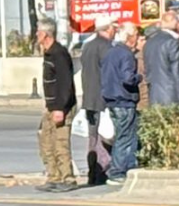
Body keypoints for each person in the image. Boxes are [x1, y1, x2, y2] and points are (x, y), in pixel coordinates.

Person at [36, 18, 77, 192]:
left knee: (60, 143)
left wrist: (60, 108)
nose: (36, 35)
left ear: (45, 34)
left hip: (61, 107)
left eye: (38, 32)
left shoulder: (59, 53)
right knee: (46, 141)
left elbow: (65, 83)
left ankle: (67, 178)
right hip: (51, 107)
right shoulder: (48, 53)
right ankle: (53, 176)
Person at [101, 23, 142, 185]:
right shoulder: (126, 55)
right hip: (124, 99)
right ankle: (119, 171)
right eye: (136, 36)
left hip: (112, 99)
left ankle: (126, 168)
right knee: (125, 137)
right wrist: (138, 78)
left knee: (123, 135)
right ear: (130, 38)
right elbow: (127, 78)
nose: (138, 39)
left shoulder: (110, 53)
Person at [78, 16, 115, 185]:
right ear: (107, 29)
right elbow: (110, 75)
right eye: (113, 27)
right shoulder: (106, 47)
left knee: (92, 138)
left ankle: (93, 173)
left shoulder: (88, 46)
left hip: (90, 99)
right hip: (103, 100)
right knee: (106, 137)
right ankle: (103, 171)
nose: (115, 30)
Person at [142, 11, 179, 106]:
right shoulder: (172, 42)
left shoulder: (149, 43)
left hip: (154, 96)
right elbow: (176, 72)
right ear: (175, 23)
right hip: (172, 97)